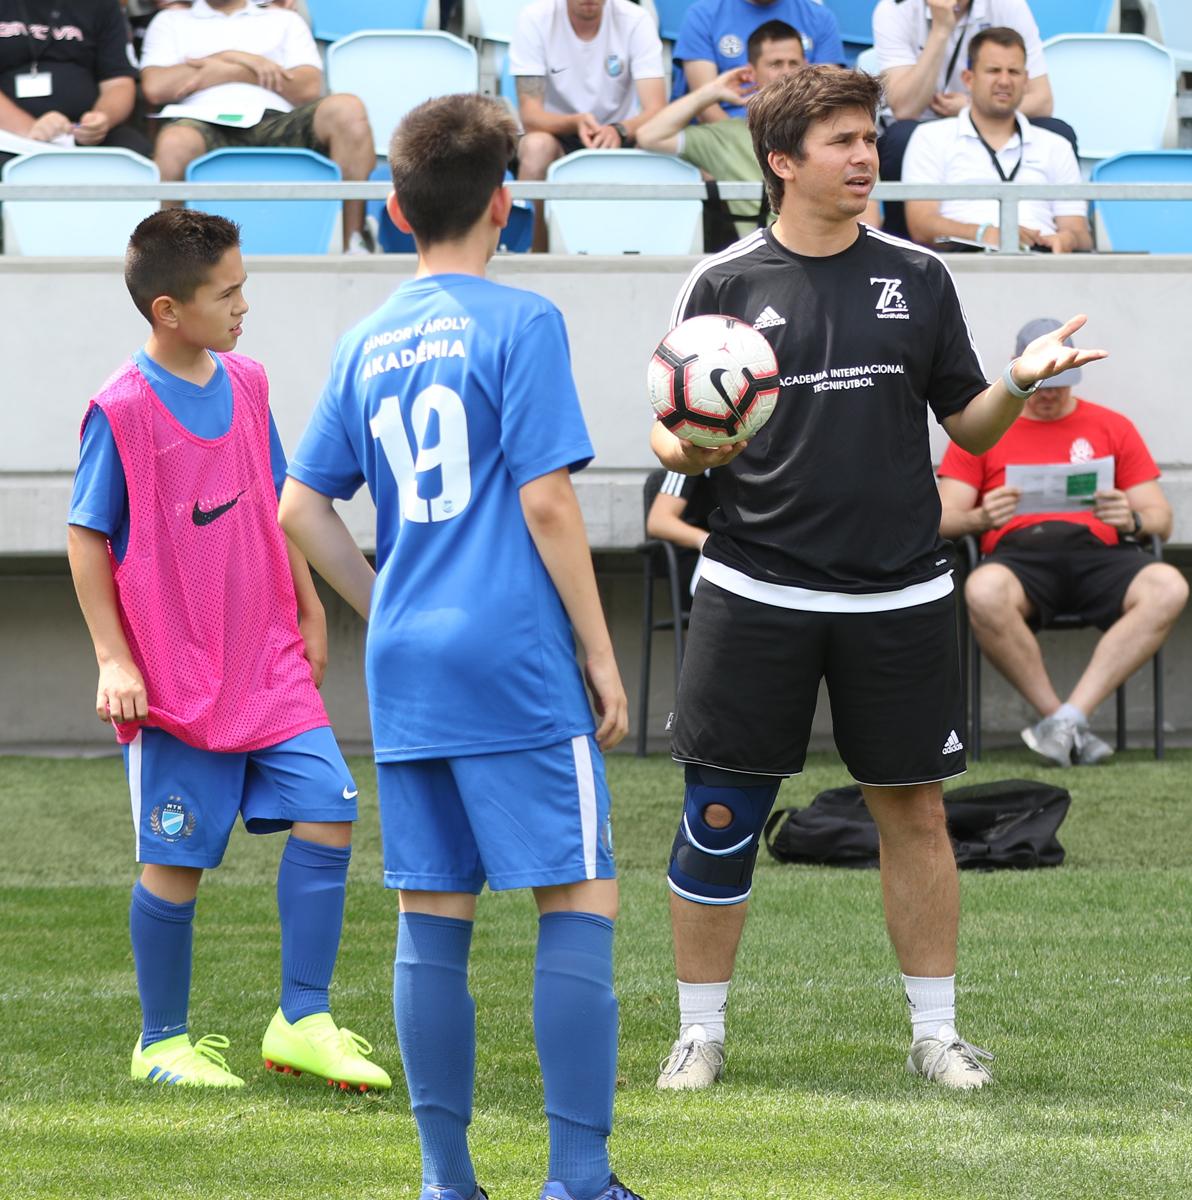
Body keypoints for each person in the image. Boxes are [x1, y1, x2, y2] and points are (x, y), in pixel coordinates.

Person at [649, 64, 1105, 1093]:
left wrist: (1015, 382)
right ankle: (698, 1035)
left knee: (917, 816)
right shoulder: (722, 282)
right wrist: (694, 447)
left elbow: (968, 425)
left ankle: (937, 1035)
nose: (867, 158)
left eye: (870, 139)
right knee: (719, 816)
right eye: (843, 142)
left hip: (899, 593)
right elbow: (668, 432)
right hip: (755, 591)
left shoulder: (919, 273)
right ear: (781, 161)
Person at [279, 94, 640, 1200]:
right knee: (576, 896)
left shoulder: (364, 338)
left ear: (394, 209)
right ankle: (578, 1179)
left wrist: (384, 601)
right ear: (505, 203)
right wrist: (601, 652)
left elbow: (299, 508)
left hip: (409, 663)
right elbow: (547, 502)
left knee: (431, 918)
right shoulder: (522, 321)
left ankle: (446, 1182)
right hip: (511, 654)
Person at [66, 209, 390, 1092]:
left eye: (244, 286)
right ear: (168, 310)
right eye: (228, 292)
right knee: (175, 863)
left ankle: (303, 1019)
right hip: (174, 682)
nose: (245, 305)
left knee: (330, 807)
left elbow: (278, 502)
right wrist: (113, 659)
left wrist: (310, 610)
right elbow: (86, 537)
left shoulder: (248, 382)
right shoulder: (121, 408)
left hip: (269, 662)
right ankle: (161, 1043)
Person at [938, 318, 1187, 766]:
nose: (1049, 394)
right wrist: (980, 517)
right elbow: (941, 518)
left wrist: (1130, 518)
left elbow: (1160, 520)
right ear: (1019, 367)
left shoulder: (1112, 426)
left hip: (1099, 553)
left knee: (1168, 587)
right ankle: (1059, 718)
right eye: (1042, 383)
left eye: (1061, 383)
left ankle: (1069, 719)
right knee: (982, 590)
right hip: (1018, 556)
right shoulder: (985, 427)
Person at [139, 0, 376, 253]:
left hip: (278, 120)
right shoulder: (170, 21)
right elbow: (155, 86)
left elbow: (308, 86)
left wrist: (229, 71)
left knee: (348, 109)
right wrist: (237, 58)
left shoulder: (284, 19)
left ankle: (355, 241)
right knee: (174, 143)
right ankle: (167, 253)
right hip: (201, 123)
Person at [637, 19, 879, 242]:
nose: (786, 72)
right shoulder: (726, 135)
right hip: (759, 255)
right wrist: (712, 91)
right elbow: (649, 135)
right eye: (775, 64)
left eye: (794, 63)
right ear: (751, 72)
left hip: (837, 251)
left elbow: (869, 220)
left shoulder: (846, 138)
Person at [902, 27, 1090, 253]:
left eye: (1014, 72)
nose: (1004, 81)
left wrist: (1066, 240)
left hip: (1042, 259)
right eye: (993, 70)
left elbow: (1079, 232)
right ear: (968, 79)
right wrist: (986, 234)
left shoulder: (1056, 145)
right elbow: (921, 225)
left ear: (1026, 81)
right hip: (964, 259)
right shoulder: (930, 138)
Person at [511, 0, 666, 252]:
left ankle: (647, 255)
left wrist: (620, 130)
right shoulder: (535, 18)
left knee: (659, 144)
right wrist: (574, 122)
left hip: (622, 134)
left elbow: (656, 109)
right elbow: (530, 116)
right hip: (558, 133)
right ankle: (532, 257)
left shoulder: (636, 20)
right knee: (535, 147)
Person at [0, 0, 151, 158]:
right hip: (9, 131)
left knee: (132, 154)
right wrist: (30, 129)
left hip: (81, 130)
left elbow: (118, 82)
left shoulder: (101, 5)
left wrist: (102, 119)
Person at [873, 0, 1052, 123]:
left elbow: (1042, 101)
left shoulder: (1008, 5)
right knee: (900, 137)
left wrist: (971, 108)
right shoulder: (894, 10)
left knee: (1055, 129)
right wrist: (940, 30)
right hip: (921, 123)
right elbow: (905, 110)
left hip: (990, 121)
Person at [672, 0, 844, 122]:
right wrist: (747, 145)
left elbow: (827, 101)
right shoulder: (703, 15)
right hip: (728, 133)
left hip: (798, 134)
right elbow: (705, 107)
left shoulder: (820, 18)